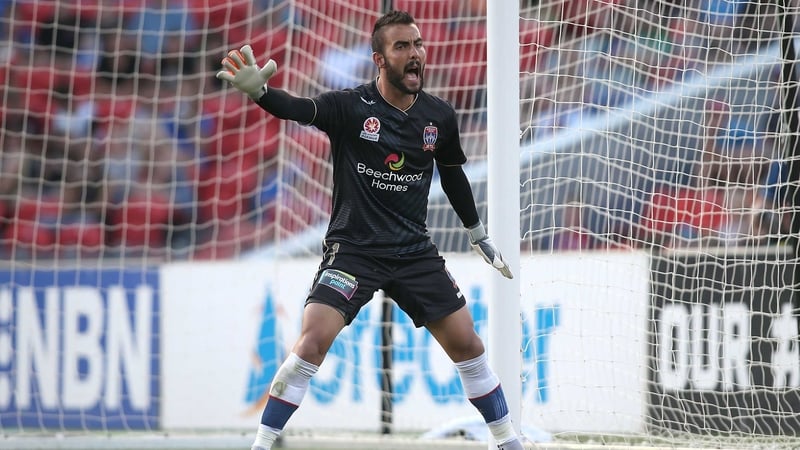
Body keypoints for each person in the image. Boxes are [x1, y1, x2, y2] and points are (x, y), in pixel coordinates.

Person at [216, 9, 525, 450]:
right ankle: (262, 445)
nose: (415, 53)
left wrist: (476, 231)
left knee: (468, 346)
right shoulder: (349, 107)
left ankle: (508, 442)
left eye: (418, 44)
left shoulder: (439, 117)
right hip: (354, 251)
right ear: (379, 59)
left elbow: (453, 174)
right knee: (312, 341)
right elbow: (298, 108)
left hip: (413, 252)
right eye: (402, 46)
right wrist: (262, 93)